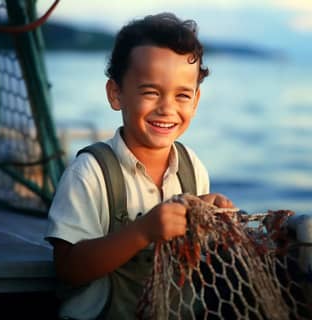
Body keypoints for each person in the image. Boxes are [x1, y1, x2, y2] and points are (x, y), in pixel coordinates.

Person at [45, 12, 235, 320]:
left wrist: (205, 217)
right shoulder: (90, 173)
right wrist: (144, 230)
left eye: (182, 95)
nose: (167, 108)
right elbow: (68, 269)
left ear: (196, 101)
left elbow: (193, 262)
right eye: (151, 92)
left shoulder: (192, 168)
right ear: (116, 93)